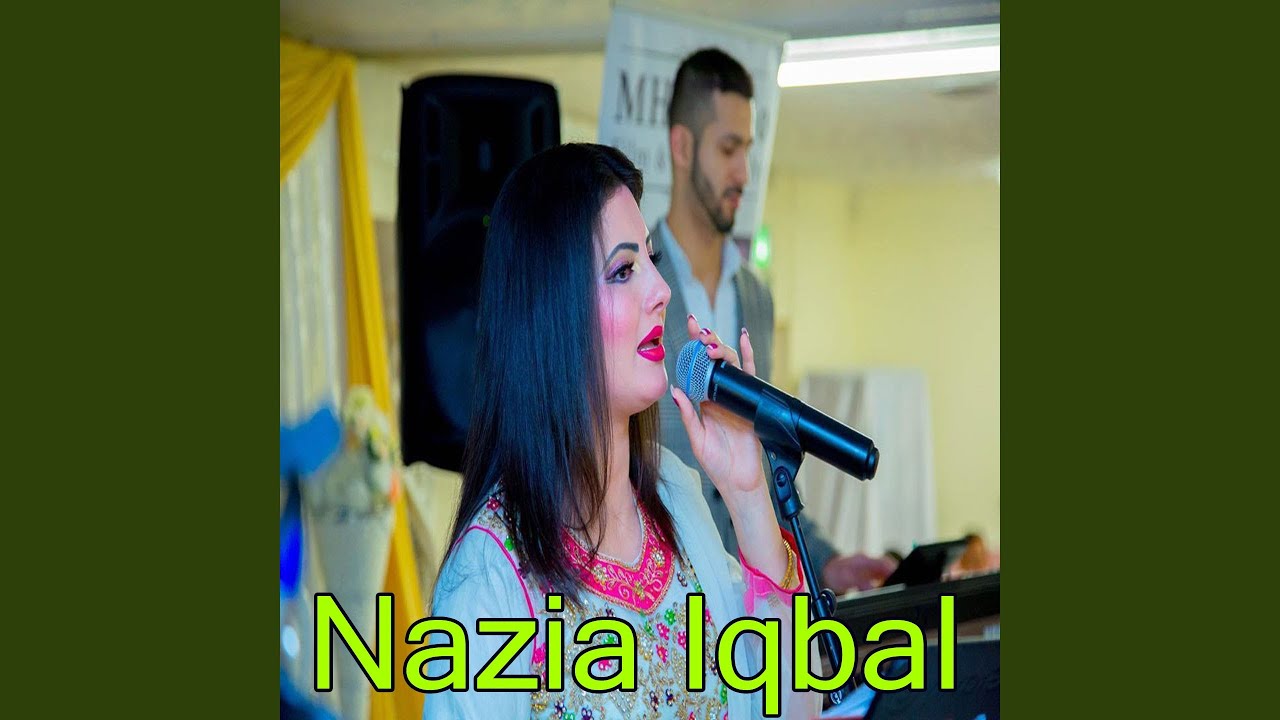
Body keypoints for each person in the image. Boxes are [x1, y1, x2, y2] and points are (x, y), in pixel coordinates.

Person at [425, 143, 819, 719]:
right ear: (552, 313)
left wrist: (748, 494)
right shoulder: (488, 578)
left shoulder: (674, 496)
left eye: (650, 261)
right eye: (623, 271)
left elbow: (793, 711)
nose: (661, 291)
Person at [652, 48, 896, 594]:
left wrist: (828, 563)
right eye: (728, 149)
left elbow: (768, 454)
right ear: (682, 146)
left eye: (748, 150)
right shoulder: (635, 283)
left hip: (754, 603)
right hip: (668, 604)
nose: (743, 172)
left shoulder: (755, 297)